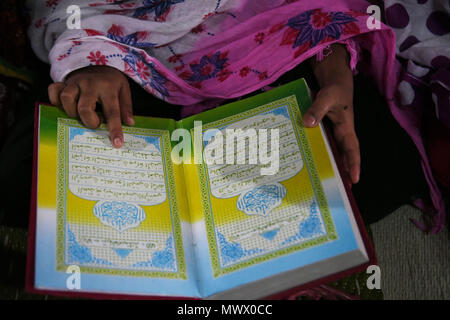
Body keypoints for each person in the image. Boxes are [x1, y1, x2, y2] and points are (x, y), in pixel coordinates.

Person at [0, 0, 443, 229]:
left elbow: (312, 8)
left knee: (376, 169)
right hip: (121, 55)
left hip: (264, 46)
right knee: (29, 181)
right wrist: (92, 62)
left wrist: (332, 68)